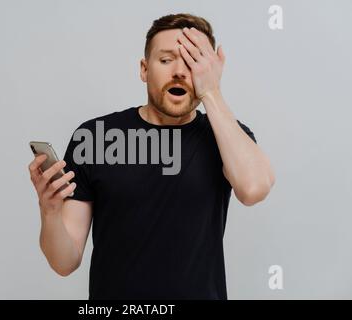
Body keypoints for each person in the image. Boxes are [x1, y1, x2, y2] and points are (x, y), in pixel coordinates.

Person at [28, 13, 275, 299]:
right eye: (167, 60)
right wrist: (50, 212)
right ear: (144, 69)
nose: (180, 72)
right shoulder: (95, 138)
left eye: (194, 61)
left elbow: (254, 188)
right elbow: (64, 262)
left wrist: (212, 92)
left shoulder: (225, 135)